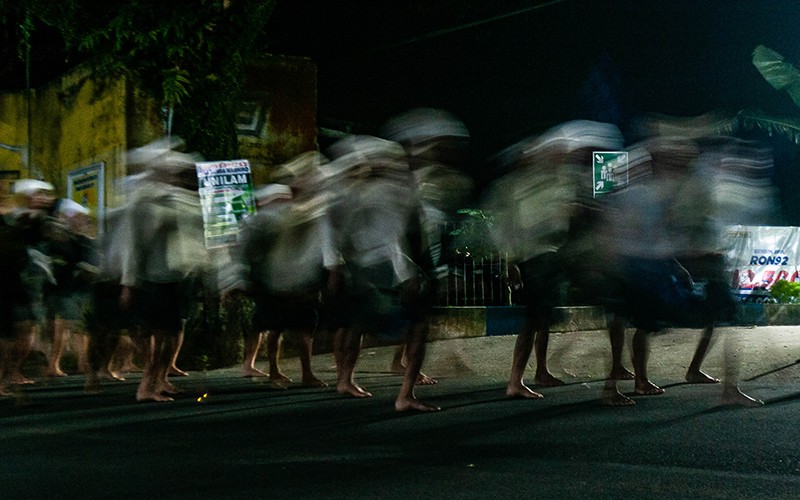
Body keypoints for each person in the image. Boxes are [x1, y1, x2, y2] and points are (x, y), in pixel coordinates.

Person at [484, 120, 624, 399]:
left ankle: (540, 371)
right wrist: (510, 260)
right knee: (535, 318)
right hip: (535, 257)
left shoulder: (562, 179)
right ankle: (515, 381)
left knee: (542, 317)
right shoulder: (520, 186)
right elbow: (507, 226)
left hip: (555, 254)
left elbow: (584, 202)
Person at [221, 153, 336, 388]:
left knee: (304, 330)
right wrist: (238, 277)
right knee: (275, 328)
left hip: (302, 281)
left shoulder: (312, 209)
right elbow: (245, 244)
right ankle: (274, 370)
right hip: (275, 281)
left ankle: (306, 373)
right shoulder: (270, 215)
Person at [120, 141, 208, 402]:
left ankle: (158, 380)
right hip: (155, 279)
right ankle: (146, 386)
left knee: (170, 335)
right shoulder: (145, 199)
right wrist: (129, 283)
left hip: (178, 278)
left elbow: (196, 240)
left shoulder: (180, 200)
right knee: (159, 336)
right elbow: (134, 245)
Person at [43, 199, 97, 377]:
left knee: (77, 329)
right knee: (67, 327)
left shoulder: (81, 239)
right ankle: (58, 363)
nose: (82, 221)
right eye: (78, 217)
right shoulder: (62, 239)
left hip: (79, 289)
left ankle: (77, 362)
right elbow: (59, 265)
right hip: (67, 290)